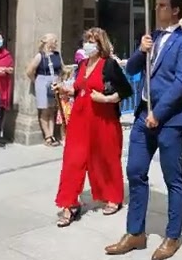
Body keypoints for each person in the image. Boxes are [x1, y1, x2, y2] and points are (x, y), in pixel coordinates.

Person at [106, 0, 182, 260]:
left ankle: (172, 235)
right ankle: (135, 232)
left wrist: (158, 112)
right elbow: (133, 69)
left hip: (170, 119)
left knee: (173, 178)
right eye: (156, 5)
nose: (156, 9)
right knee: (135, 171)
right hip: (142, 116)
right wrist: (140, 50)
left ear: (175, 11)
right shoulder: (152, 38)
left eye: (162, 6)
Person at [53, 28, 131, 227]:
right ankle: (69, 204)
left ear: (101, 43)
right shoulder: (82, 64)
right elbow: (80, 89)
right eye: (86, 40)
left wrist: (105, 98)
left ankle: (113, 196)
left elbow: (125, 90)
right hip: (80, 119)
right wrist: (66, 89)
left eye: (93, 41)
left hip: (103, 120)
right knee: (73, 161)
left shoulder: (110, 65)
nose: (88, 44)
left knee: (105, 160)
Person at [25, 34, 65, 147]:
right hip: (43, 81)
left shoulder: (57, 55)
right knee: (45, 110)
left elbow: (62, 68)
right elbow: (29, 71)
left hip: (55, 81)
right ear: (48, 42)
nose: (56, 43)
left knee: (53, 110)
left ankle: (52, 134)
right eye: (54, 41)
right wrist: (36, 81)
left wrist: (61, 79)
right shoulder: (40, 56)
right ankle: (47, 136)